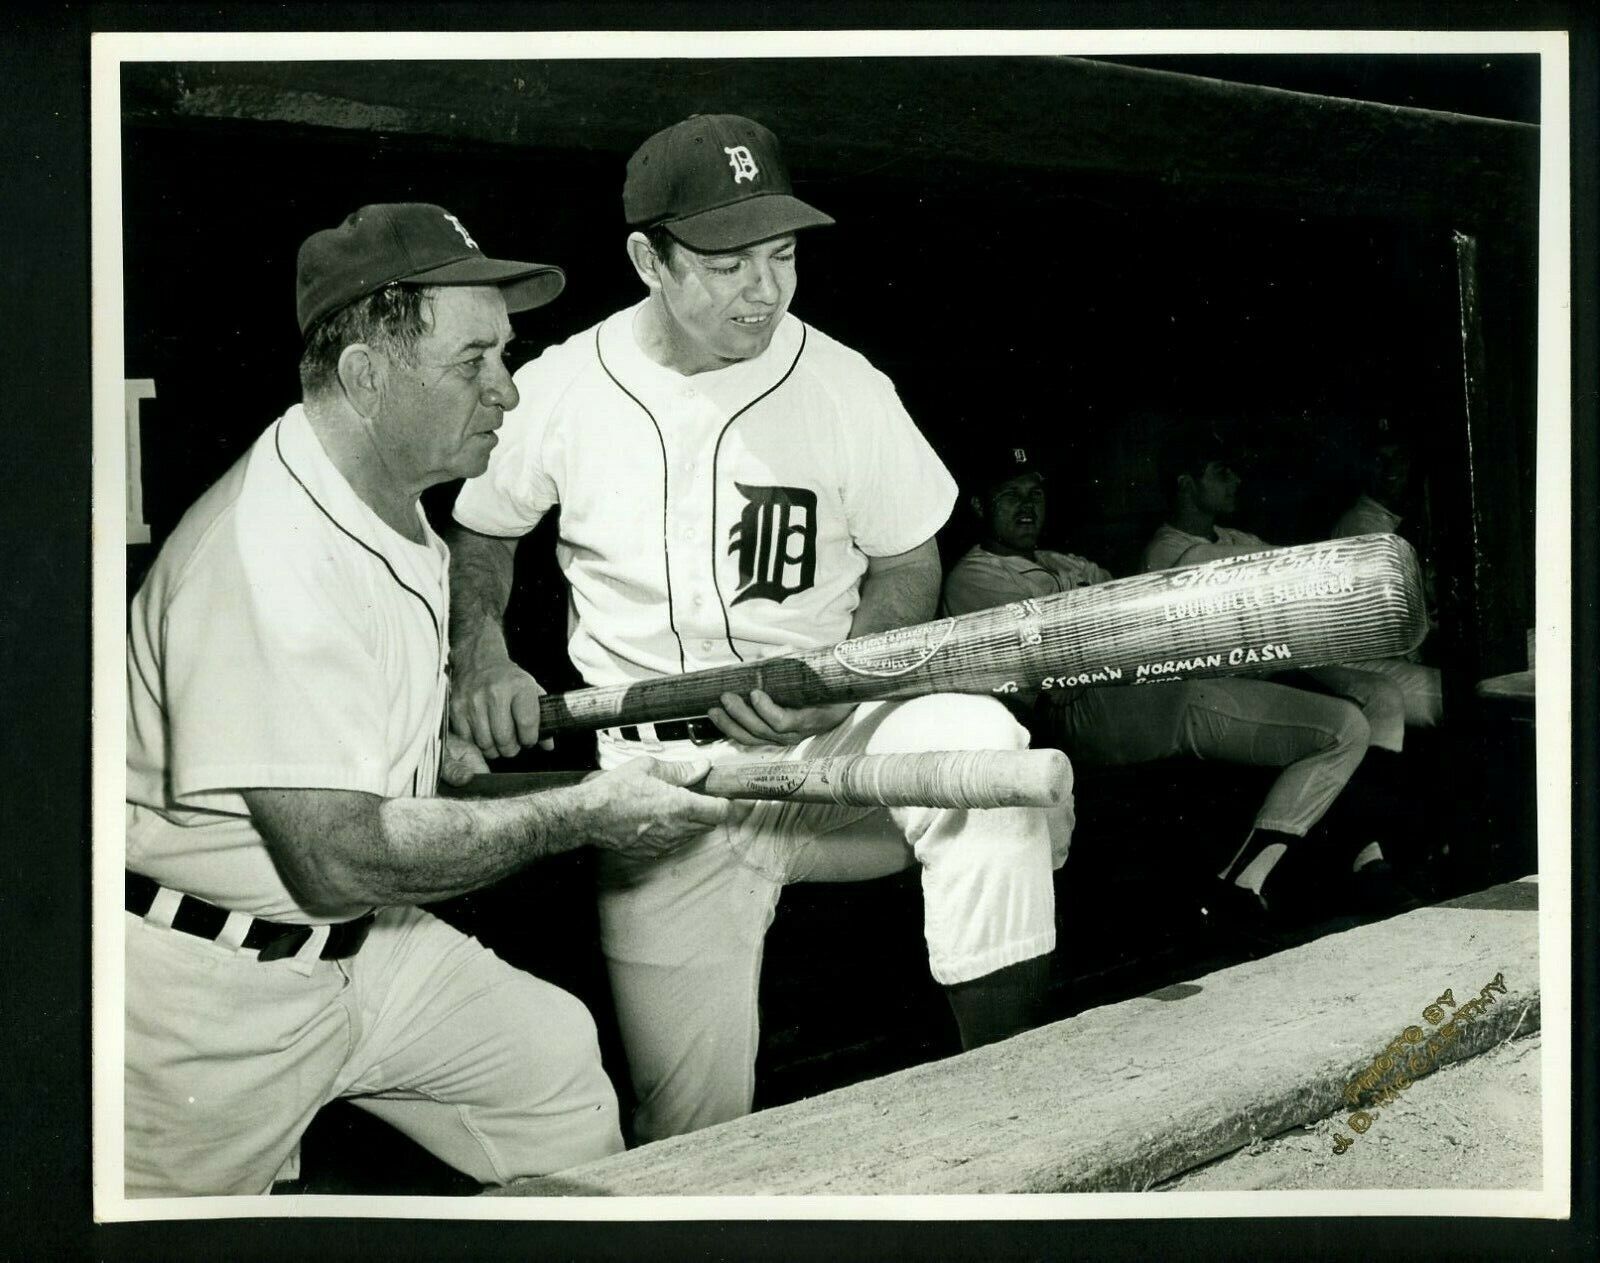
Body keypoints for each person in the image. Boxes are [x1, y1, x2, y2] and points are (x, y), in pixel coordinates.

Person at [448, 115, 1073, 1144]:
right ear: (648, 259)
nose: (765, 289)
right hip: (659, 787)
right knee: (687, 1125)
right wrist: (482, 651)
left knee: (988, 760)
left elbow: (909, 559)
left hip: (827, 747)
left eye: (781, 256)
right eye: (728, 262)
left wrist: (837, 678)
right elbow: (482, 531)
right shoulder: (559, 386)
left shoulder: (842, 383)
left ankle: (1016, 1113)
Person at [123, 203, 732, 1197]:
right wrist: (583, 815)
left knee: (544, 1060)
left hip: (358, 950)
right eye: (473, 361)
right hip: (204, 995)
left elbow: (349, 726)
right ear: (365, 375)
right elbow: (338, 859)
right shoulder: (267, 552)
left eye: (507, 353)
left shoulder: (384, 491)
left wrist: (431, 734)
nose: (507, 389)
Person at [942, 444, 1408, 925]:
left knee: (1344, 725)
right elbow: (1067, 648)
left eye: (1034, 493)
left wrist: (1104, 613)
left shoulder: (1058, 562)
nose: (1027, 506)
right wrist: (1103, 611)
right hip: (1075, 712)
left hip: (1150, 687)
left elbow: (1116, 610)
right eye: (1009, 495)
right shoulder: (974, 576)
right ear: (979, 506)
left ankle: (1245, 883)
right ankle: (1265, 881)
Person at [1140, 426, 1440, 743]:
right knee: (1380, 695)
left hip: (1296, 653)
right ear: (1186, 485)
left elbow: (1295, 567)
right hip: (1232, 683)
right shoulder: (1166, 551)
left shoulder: (1236, 538)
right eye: (1222, 474)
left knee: (1437, 688)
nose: (1236, 482)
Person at [1330, 422, 1445, 727]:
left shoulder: (1406, 514)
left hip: (1408, 650)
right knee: (1459, 696)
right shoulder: (1361, 525)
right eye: (1379, 460)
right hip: (1366, 662)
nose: (1391, 469)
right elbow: (1396, 628)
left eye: (1399, 458)